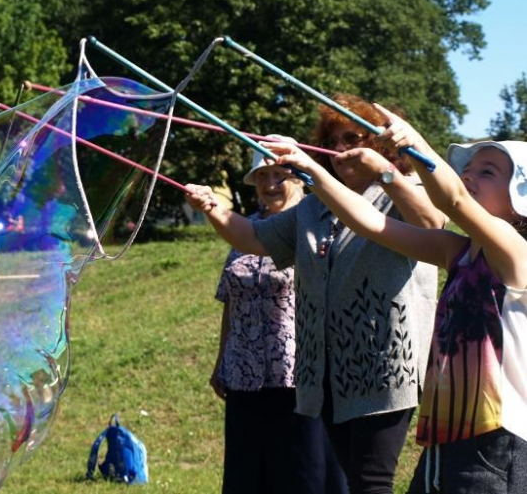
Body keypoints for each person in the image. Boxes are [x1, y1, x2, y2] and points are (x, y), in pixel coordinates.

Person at [186, 94, 446, 494]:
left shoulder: (400, 191)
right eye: (332, 140)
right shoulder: (314, 208)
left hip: (384, 366)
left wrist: (384, 171)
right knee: (350, 477)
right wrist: (212, 208)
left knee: (371, 481)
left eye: (351, 138)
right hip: (326, 371)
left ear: (377, 143)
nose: (340, 148)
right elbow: (253, 236)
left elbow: (431, 222)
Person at [260, 106, 527, 493]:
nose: (469, 175)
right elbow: (369, 222)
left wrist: (414, 144)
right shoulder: (459, 252)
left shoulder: (516, 254)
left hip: (498, 441)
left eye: (487, 172)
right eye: (468, 169)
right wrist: (308, 168)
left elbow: (453, 200)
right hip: (448, 438)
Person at [211, 136, 348, 494]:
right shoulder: (243, 230)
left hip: (298, 373)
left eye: (278, 175)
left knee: (301, 471)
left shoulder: (317, 224)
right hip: (243, 372)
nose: (270, 184)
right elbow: (230, 301)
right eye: (262, 176)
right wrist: (221, 361)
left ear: (299, 178)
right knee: (249, 474)